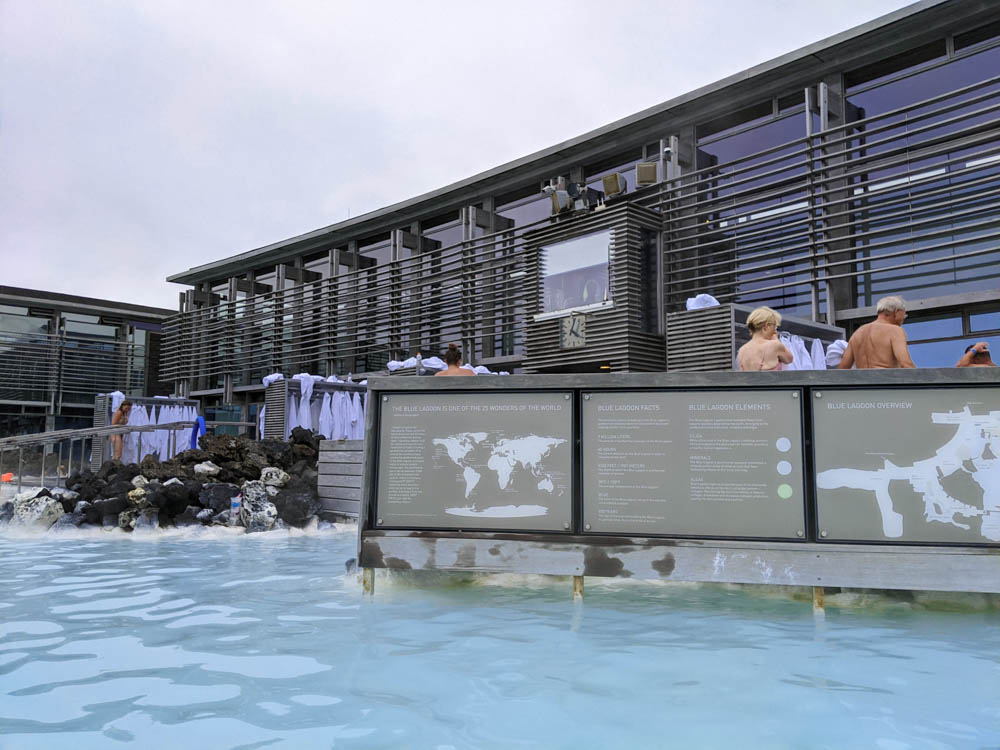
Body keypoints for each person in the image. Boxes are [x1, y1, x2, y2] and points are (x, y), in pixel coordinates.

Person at [838, 295, 915, 369]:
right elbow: (906, 364)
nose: (903, 319)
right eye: (904, 315)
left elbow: (843, 367)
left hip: (862, 381)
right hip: (886, 380)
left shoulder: (858, 332)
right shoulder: (895, 330)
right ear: (896, 312)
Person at [737, 307, 794, 371]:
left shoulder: (742, 350)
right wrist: (776, 339)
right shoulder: (774, 345)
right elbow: (789, 359)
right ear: (766, 326)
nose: (775, 332)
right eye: (775, 327)